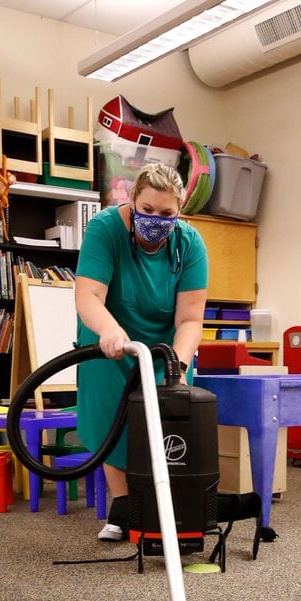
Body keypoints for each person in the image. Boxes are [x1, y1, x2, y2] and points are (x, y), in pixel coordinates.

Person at [72, 161, 209, 539]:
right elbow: (88, 295)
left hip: (167, 342)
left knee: (169, 422)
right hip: (110, 336)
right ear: (132, 199)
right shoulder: (105, 229)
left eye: (167, 213)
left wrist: (177, 364)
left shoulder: (190, 243)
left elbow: (191, 319)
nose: (156, 219)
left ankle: (168, 509)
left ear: (179, 210)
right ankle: (123, 511)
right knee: (112, 421)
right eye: (147, 210)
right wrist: (110, 331)